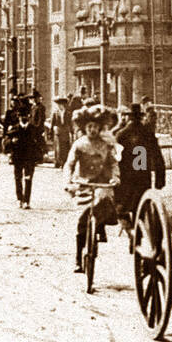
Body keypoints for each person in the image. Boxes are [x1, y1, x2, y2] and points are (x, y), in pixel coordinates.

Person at [64, 109, 120, 272]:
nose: (92, 130)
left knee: (104, 208)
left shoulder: (106, 145)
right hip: (84, 185)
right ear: (84, 127)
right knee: (81, 222)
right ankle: (78, 258)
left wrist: (115, 178)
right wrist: (68, 182)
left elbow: (113, 163)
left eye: (95, 127)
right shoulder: (79, 144)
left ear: (100, 127)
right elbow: (69, 164)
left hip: (102, 184)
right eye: (89, 127)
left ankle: (98, 230)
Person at [114, 102, 166, 230]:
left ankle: (127, 225)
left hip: (126, 179)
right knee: (141, 208)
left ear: (129, 117)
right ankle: (138, 231)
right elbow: (158, 158)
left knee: (122, 207)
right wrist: (160, 180)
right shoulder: (148, 134)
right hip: (143, 178)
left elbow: (114, 159)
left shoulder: (121, 135)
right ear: (141, 117)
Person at [7, 97, 44, 208]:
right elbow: (5, 141)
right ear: (18, 117)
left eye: (26, 116)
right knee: (18, 178)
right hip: (17, 157)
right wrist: (11, 142)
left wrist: (41, 153)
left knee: (28, 178)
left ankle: (27, 200)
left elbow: (41, 142)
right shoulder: (14, 129)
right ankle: (19, 199)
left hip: (29, 157)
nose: (24, 118)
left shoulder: (33, 129)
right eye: (21, 116)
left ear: (28, 117)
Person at [52, 96, 72, 168]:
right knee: (58, 148)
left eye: (61, 105)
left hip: (65, 132)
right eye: (58, 105)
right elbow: (53, 123)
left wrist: (71, 132)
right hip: (58, 132)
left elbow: (70, 123)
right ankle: (57, 162)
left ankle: (64, 162)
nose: (59, 106)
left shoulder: (68, 113)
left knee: (65, 148)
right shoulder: (55, 113)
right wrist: (51, 132)